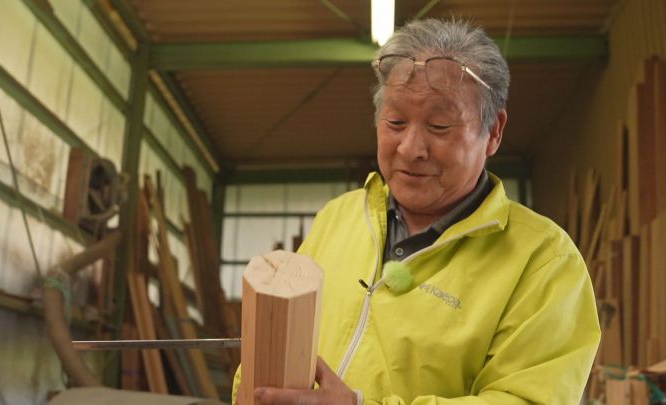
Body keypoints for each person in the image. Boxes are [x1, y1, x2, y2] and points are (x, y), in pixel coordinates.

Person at [234, 17, 600, 405]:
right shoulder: (339, 217)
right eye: (395, 122)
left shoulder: (543, 261)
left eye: (439, 126)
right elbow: (279, 337)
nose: (410, 149)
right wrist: (252, 385)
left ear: (494, 131)